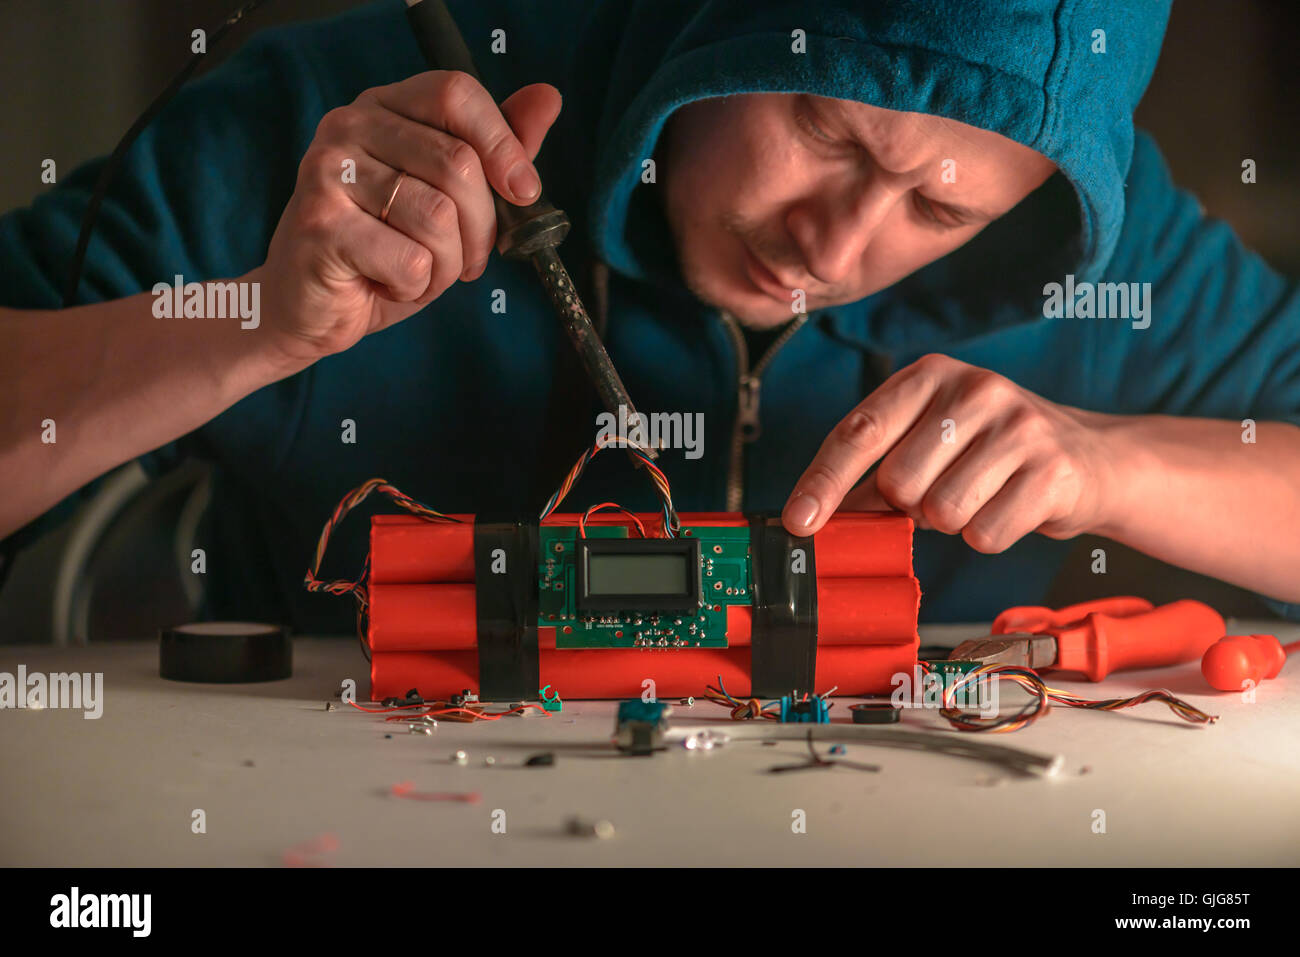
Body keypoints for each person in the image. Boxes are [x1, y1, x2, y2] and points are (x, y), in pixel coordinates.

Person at [2, 0, 1297, 633]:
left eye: (936, 216)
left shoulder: (1081, 241)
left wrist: (1113, 464)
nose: (835, 246)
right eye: (825, 131)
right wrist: (251, 327)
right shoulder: (359, 133)